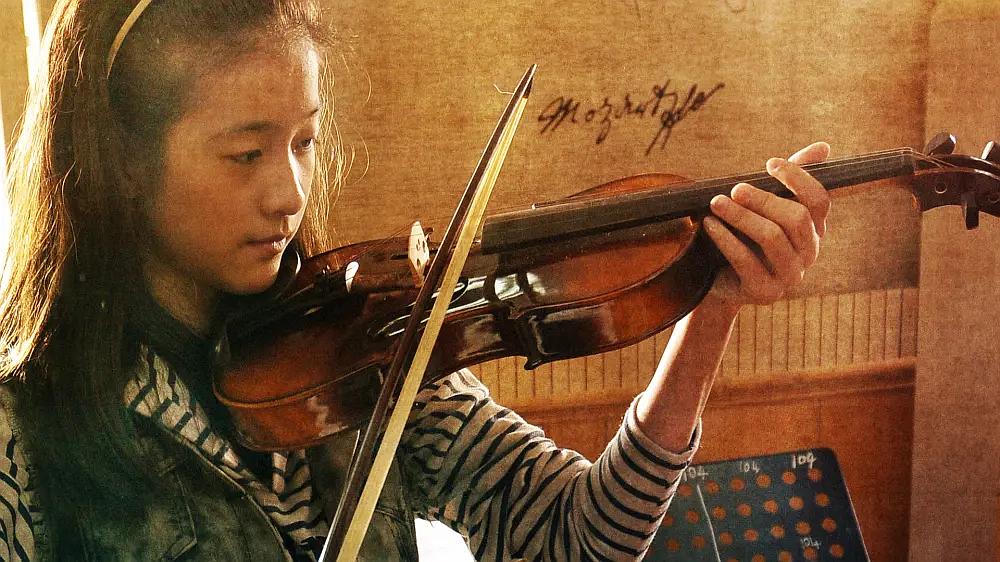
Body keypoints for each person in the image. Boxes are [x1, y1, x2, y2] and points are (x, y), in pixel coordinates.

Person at [0, 1, 831, 561]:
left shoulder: (366, 344)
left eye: (303, 143)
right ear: (123, 165)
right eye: (246, 153)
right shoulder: (21, 431)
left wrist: (709, 306)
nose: (289, 193)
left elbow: (582, 540)